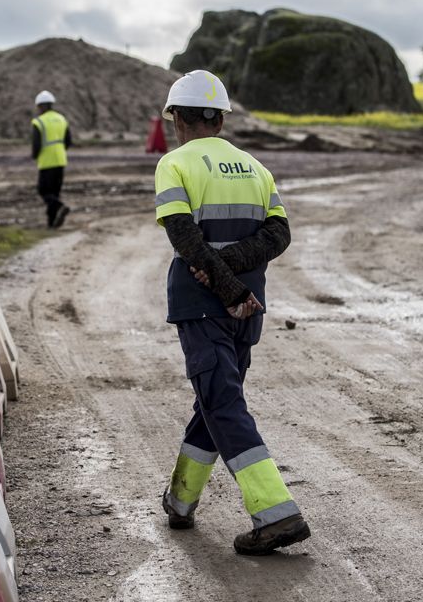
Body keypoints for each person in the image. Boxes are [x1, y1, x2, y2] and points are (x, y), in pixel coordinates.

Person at [154, 69, 309, 556]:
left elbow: (184, 238)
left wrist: (218, 278)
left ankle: (276, 513)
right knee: (216, 399)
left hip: (203, 307)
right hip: (247, 307)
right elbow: (278, 235)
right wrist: (236, 279)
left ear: (177, 118)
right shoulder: (256, 168)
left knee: (221, 401)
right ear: (220, 117)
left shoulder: (174, 164)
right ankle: (181, 501)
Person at [31, 89, 72, 228]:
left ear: (41, 106)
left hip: (46, 162)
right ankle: (52, 224)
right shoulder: (62, 118)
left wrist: (34, 155)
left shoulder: (39, 122)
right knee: (55, 192)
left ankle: (60, 206)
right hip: (60, 160)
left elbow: (36, 144)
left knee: (43, 191)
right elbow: (68, 141)